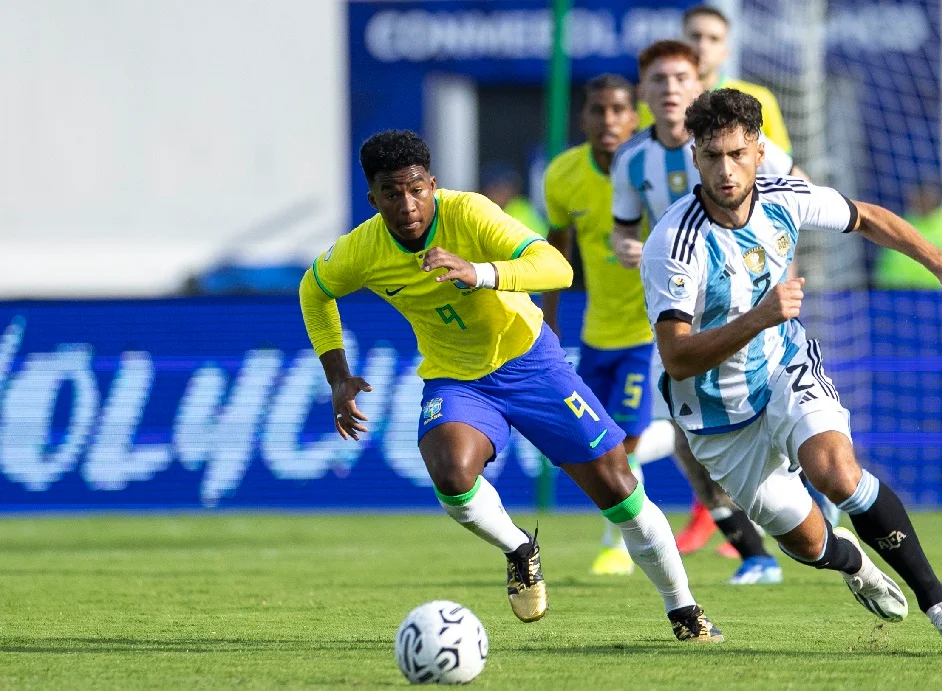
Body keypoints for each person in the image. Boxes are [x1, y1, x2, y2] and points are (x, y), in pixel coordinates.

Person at [298, 129, 721, 642]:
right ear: (373, 199)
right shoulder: (362, 249)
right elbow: (313, 291)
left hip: (531, 363)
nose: (407, 205)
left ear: (433, 184)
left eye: (416, 190)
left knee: (619, 489)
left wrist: (478, 272)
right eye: (391, 193)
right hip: (457, 378)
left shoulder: (471, 213)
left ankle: (684, 608)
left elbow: (557, 268)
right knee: (452, 476)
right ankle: (520, 549)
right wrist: (338, 376)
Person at [640, 89, 942, 652]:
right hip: (718, 416)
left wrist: (941, 263)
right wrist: (759, 316)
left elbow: (867, 217)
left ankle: (940, 605)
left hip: (783, 368)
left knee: (837, 473)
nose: (726, 170)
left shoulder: (785, 198)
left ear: (759, 152)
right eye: (712, 156)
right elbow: (677, 357)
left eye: (737, 154)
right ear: (694, 157)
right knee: (810, 543)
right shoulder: (673, 242)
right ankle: (855, 563)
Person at [611, 39, 805, 585]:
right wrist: (626, 247)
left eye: (681, 78)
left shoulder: (743, 145)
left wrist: (780, 265)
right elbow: (622, 229)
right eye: (659, 80)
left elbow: (798, 196)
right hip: (683, 315)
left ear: (699, 84)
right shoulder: (632, 160)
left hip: (754, 304)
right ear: (643, 91)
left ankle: (813, 495)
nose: (670, 89)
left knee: (774, 416)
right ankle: (756, 553)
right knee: (687, 439)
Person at [541, 74, 655, 577]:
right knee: (596, 442)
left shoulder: (654, 168)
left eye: (618, 109)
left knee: (622, 445)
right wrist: (548, 320)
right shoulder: (562, 176)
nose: (608, 120)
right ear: (583, 117)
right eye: (597, 109)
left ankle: (620, 544)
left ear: (635, 116)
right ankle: (676, 441)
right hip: (596, 334)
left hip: (650, 331)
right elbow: (555, 252)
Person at [637, 4, 792, 154]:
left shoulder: (759, 99)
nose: (702, 46)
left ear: (726, 51)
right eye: (695, 36)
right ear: (680, 42)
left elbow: (785, 164)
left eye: (714, 39)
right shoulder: (652, 102)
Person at [874, 184, 942, 289]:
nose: (920, 200)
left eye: (926, 196)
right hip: (895, 291)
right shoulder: (902, 222)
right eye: (918, 195)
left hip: (933, 292)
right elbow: (888, 261)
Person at [481, 164, 549, 239]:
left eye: (507, 185)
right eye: (497, 187)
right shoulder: (486, 212)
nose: (503, 192)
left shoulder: (521, 210)